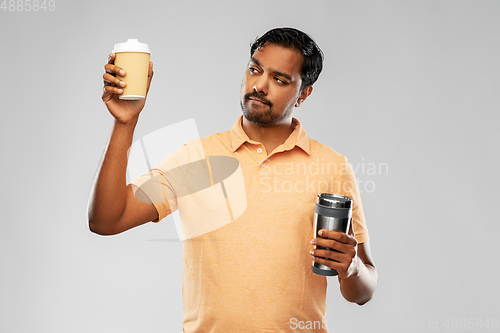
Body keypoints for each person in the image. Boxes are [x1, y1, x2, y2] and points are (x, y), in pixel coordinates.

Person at [88, 27, 378, 332]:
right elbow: (107, 220)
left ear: (303, 93)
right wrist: (125, 123)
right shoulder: (199, 159)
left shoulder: (331, 167)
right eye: (255, 70)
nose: (260, 86)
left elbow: (363, 291)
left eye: (279, 79)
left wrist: (353, 266)